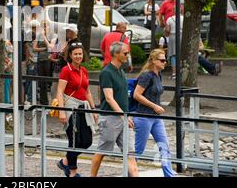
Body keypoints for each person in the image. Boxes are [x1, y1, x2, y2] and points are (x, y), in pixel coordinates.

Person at [91, 41, 139, 177]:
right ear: (116, 54)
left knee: (130, 152)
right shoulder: (107, 73)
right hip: (110, 118)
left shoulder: (121, 72)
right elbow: (109, 98)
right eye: (125, 53)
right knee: (102, 151)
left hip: (123, 117)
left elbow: (123, 98)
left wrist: (127, 115)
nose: (128, 55)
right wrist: (123, 115)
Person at [133, 49, 177, 177]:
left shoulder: (159, 75)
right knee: (138, 150)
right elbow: (136, 95)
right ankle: (129, 171)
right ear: (153, 61)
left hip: (156, 118)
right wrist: (154, 106)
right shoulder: (146, 75)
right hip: (144, 117)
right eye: (162, 60)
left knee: (164, 146)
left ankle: (169, 175)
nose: (165, 62)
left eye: (165, 60)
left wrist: (156, 107)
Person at [56, 42, 97, 177]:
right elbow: (60, 91)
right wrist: (62, 111)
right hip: (71, 108)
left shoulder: (83, 70)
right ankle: (73, 172)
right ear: (70, 55)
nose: (78, 56)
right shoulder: (66, 70)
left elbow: (87, 92)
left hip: (83, 108)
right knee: (74, 141)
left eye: (80, 53)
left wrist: (93, 109)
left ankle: (65, 161)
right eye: (75, 54)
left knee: (87, 141)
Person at [165, 6, 183, 79]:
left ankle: (174, 73)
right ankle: (181, 72)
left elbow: (168, 30)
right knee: (181, 53)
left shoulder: (169, 19)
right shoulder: (183, 18)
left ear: (173, 11)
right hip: (181, 36)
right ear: (181, 11)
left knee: (173, 55)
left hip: (172, 36)